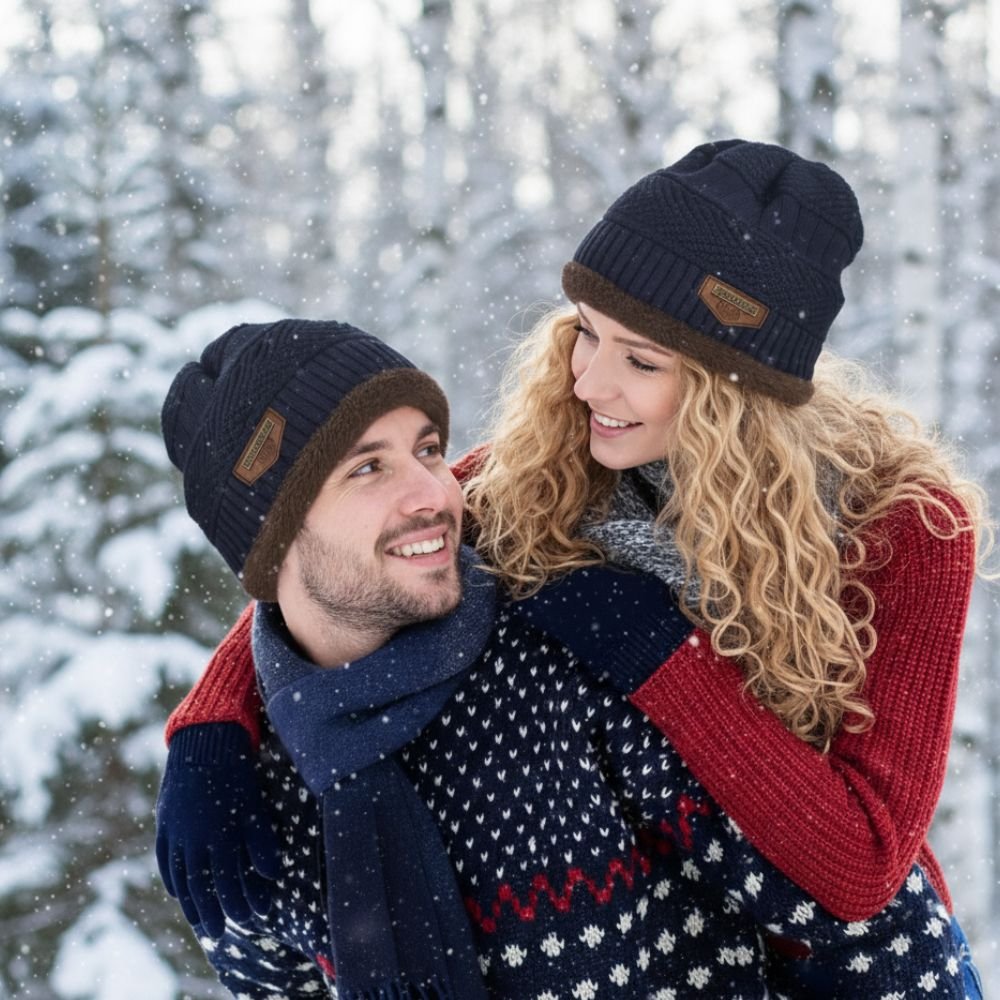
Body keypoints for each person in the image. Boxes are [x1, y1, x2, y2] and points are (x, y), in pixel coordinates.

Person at [155, 141, 988, 991]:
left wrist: (665, 663)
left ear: (734, 391)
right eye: (586, 332)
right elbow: (332, 552)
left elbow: (863, 868)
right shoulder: (550, 468)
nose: (588, 383)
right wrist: (211, 725)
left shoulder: (903, 528)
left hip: (855, 962)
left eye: (641, 360)